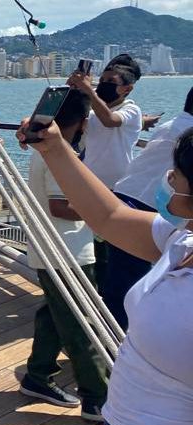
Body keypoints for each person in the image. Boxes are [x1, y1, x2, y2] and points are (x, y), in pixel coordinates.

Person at [17, 117, 193, 425]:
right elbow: (108, 216)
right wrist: (54, 148)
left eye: (176, 174)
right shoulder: (181, 241)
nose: (168, 179)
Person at [19, 89, 109, 421]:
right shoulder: (59, 154)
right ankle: (97, 397)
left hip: (51, 248)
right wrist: (103, 209)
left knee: (54, 315)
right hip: (67, 252)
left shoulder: (47, 149)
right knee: (82, 324)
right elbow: (61, 206)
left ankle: (38, 375)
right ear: (84, 123)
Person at [103, 85, 193, 329]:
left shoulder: (171, 125)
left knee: (117, 279)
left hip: (125, 196)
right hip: (141, 204)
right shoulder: (187, 135)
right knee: (126, 284)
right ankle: (113, 340)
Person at [67, 54, 143, 290]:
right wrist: (75, 91)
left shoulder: (131, 109)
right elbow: (71, 121)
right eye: (103, 80)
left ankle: (110, 293)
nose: (104, 85)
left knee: (112, 246)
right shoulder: (93, 108)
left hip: (117, 188)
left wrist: (89, 91)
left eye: (112, 82)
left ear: (127, 89)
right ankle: (91, 289)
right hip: (90, 184)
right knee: (88, 242)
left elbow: (110, 120)